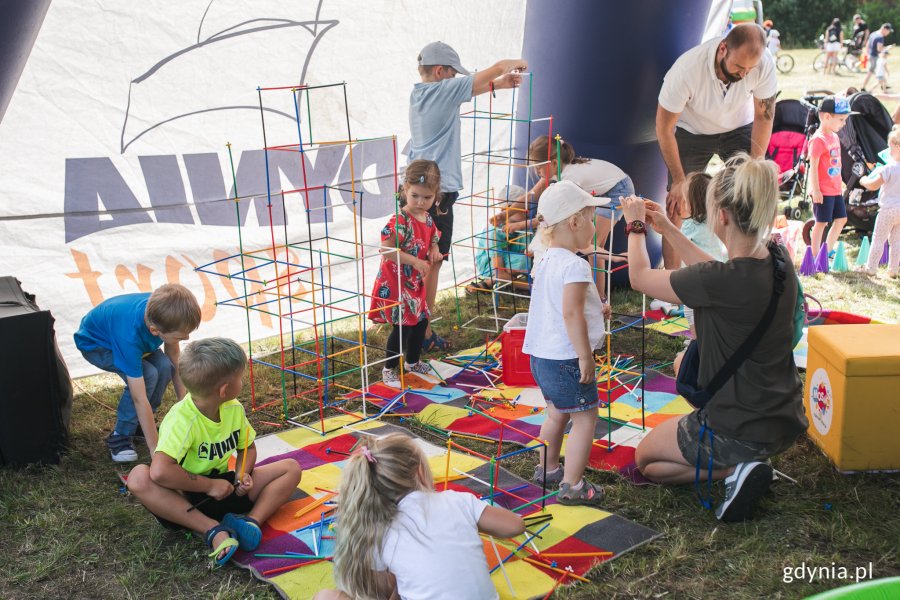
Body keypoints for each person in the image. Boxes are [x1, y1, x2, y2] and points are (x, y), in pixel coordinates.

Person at [624, 154, 807, 523]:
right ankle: (745, 462)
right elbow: (717, 273)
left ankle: (734, 470)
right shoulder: (778, 258)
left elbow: (640, 278)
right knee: (682, 364)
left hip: (737, 428)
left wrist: (636, 227)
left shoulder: (719, 280)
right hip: (782, 417)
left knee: (647, 460)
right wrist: (668, 229)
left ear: (722, 215)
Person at [125, 338, 302, 567]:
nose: (243, 382)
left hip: (228, 488)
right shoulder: (182, 419)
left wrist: (241, 474)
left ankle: (250, 522)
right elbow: (160, 472)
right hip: (187, 499)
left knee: (291, 468)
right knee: (139, 477)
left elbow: (247, 446)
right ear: (224, 389)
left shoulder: (233, 408)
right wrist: (209, 486)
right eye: (240, 377)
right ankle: (212, 530)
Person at [409, 41, 528, 352]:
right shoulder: (441, 89)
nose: (455, 79)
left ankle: (416, 328)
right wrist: (510, 64)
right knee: (430, 265)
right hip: (436, 198)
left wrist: (498, 84)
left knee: (422, 264)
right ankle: (420, 331)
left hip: (421, 192)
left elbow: (470, 88)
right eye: (452, 74)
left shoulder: (423, 93)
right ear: (440, 71)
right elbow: (492, 70)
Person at [313, 432, 525, 600]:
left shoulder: (379, 531)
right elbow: (515, 526)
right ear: (420, 472)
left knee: (324, 596)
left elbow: (379, 592)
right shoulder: (458, 501)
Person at [656, 23, 777, 270]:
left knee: (751, 193)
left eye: (749, 69)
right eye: (739, 67)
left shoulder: (764, 65)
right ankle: (670, 278)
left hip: (739, 127)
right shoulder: (687, 70)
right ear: (723, 49)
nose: (744, 74)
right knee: (676, 203)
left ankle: (748, 266)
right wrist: (679, 180)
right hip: (693, 130)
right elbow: (664, 128)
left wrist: (755, 162)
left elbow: (764, 116)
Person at [523, 180, 611, 505]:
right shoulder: (575, 264)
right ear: (574, 222)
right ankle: (573, 485)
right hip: (567, 359)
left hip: (541, 357)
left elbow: (559, 304)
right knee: (586, 417)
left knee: (557, 413)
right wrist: (585, 356)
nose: (593, 226)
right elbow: (572, 314)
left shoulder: (545, 259)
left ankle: (547, 470)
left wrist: (596, 308)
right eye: (590, 219)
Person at [495, 135, 635, 299]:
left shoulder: (570, 179)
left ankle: (599, 298)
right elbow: (532, 194)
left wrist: (519, 225)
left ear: (553, 163)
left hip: (618, 190)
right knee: (593, 246)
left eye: (538, 167)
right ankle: (596, 295)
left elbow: (556, 216)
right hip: (608, 185)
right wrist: (505, 214)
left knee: (592, 244)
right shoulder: (556, 171)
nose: (536, 172)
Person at [74, 283, 201, 462]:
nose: (187, 339)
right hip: (98, 344)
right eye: (181, 337)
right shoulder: (130, 336)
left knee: (165, 367)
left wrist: (184, 402)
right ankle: (120, 435)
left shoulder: (165, 314)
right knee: (149, 374)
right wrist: (156, 450)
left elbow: (174, 359)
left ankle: (140, 424)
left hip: (133, 338)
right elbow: (139, 398)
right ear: (155, 331)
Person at [371, 159, 444, 387]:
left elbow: (433, 237)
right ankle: (389, 369)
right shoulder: (400, 220)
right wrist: (414, 260)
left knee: (421, 321)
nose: (421, 202)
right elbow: (386, 249)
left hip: (415, 283)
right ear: (405, 190)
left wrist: (434, 249)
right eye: (415, 196)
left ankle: (412, 362)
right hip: (397, 282)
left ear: (436, 196)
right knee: (402, 327)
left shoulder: (428, 217)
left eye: (427, 198)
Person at [808, 96, 853, 257]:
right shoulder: (818, 140)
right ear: (827, 117)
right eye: (841, 119)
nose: (844, 123)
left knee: (841, 219)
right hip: (823, 191)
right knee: (821, 223)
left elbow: (836, 164)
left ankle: (825, 253)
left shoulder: (834, 136)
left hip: (835, 189)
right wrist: (816, 190)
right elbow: (813, 166)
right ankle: (814, 256)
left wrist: (840, 182)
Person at [469, 184, 532, 292]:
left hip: (511, 261)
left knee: (528, 258)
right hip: (490, 265)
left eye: (527, 207)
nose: (527, 211)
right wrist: (531, 286)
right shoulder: (495, 231)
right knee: (524, 261)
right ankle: (493, 281)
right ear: (504, 209)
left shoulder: (525, 227)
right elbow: (500, 272)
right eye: (522, 208)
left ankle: (495, 283)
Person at [859, 124, 900, 276]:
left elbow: (874, 185)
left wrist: (863, 181)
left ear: (896, 147)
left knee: (878, 239)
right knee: (896, 242)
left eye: (890, 148)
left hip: (888, 210)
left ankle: (871, 268)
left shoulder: (888, 169)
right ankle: (893, 269)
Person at [862, 23, 893, 91]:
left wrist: (867, 53)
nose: (888, 33)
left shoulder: (873, 33)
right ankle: (863, 87)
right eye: (888, 31)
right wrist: (887, 48)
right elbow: (879, 49)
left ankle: (884, 85)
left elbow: (867, 44)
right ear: (885, 29)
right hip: (875, 57)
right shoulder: (880, 37)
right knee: (873, 72)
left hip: (870, 55)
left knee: (878, 72)